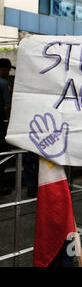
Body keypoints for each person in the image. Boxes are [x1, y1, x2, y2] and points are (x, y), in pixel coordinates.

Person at [0, 58, 14, 196]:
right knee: (4, 152)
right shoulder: (5, 84)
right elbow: (8, 105)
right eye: (8, 69)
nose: (9, 72)